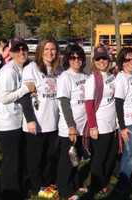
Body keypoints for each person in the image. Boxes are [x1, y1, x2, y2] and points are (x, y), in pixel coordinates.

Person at [0, 37, 36, 200]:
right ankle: (8, 193)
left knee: (18, 158)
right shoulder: (8, 71)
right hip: (7, 124)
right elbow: (4, 98)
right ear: (10, 52)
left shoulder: (21, 68)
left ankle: (17, 188)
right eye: (17, 49)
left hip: (17, 121)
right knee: (10, 162)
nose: (21, 52)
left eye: (23, 49)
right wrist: (25, 89)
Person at [21, 38, 60, 195]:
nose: (50, 53)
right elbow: (24, 96)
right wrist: (30, 119)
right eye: (46, 49)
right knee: (35, 158)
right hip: (36, 122)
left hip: (53, 122)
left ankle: (46, 183)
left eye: (53, 49)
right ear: (40, 51)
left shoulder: (57, 70)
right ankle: (36, 187)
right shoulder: (32, 68)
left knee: (50, 157)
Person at [81, 46, 118, 199]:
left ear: (109, 60)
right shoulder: (92, 80)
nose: (102, 61)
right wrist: (93, 126)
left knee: (111, 157)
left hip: (112, 125)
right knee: (99, 158)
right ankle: (95, 186)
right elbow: (89, 104)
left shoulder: (111, 76)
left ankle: (103, 182)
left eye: (104, 58)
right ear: (94, 61)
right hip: (100, 126)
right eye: (98, 59)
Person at [56, 44, 88, 199]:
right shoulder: (65, 77)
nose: (77, 60)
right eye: (73, 57)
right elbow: (64, 102)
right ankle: (64, 189)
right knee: (67, 160)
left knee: (77, 158)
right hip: (70, 128)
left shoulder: (84, 76)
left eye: (79, 57)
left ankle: (75, 183)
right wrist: (71, 126)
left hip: (83, 126)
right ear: (68, 59)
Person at [114, 47, 132, 193]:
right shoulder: (121, 79)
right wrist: (123, 127)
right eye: (127, 60)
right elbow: (118, 104)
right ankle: (123, 184)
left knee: (128, 152)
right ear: (121, 62)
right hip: (128, 123)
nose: (131, 62)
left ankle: (122, 177)